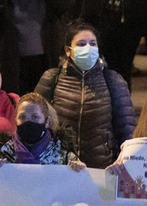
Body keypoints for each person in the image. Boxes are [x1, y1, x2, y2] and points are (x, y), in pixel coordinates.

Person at [34, 23, 136, 169]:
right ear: (68, 50)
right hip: (60, 166)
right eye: (81, 44)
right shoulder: (51, 79)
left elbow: (127, 129)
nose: (88, 48)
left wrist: (125, 161)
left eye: (92, 44)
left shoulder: (113, 80)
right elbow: (35, 121)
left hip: (102, 167)